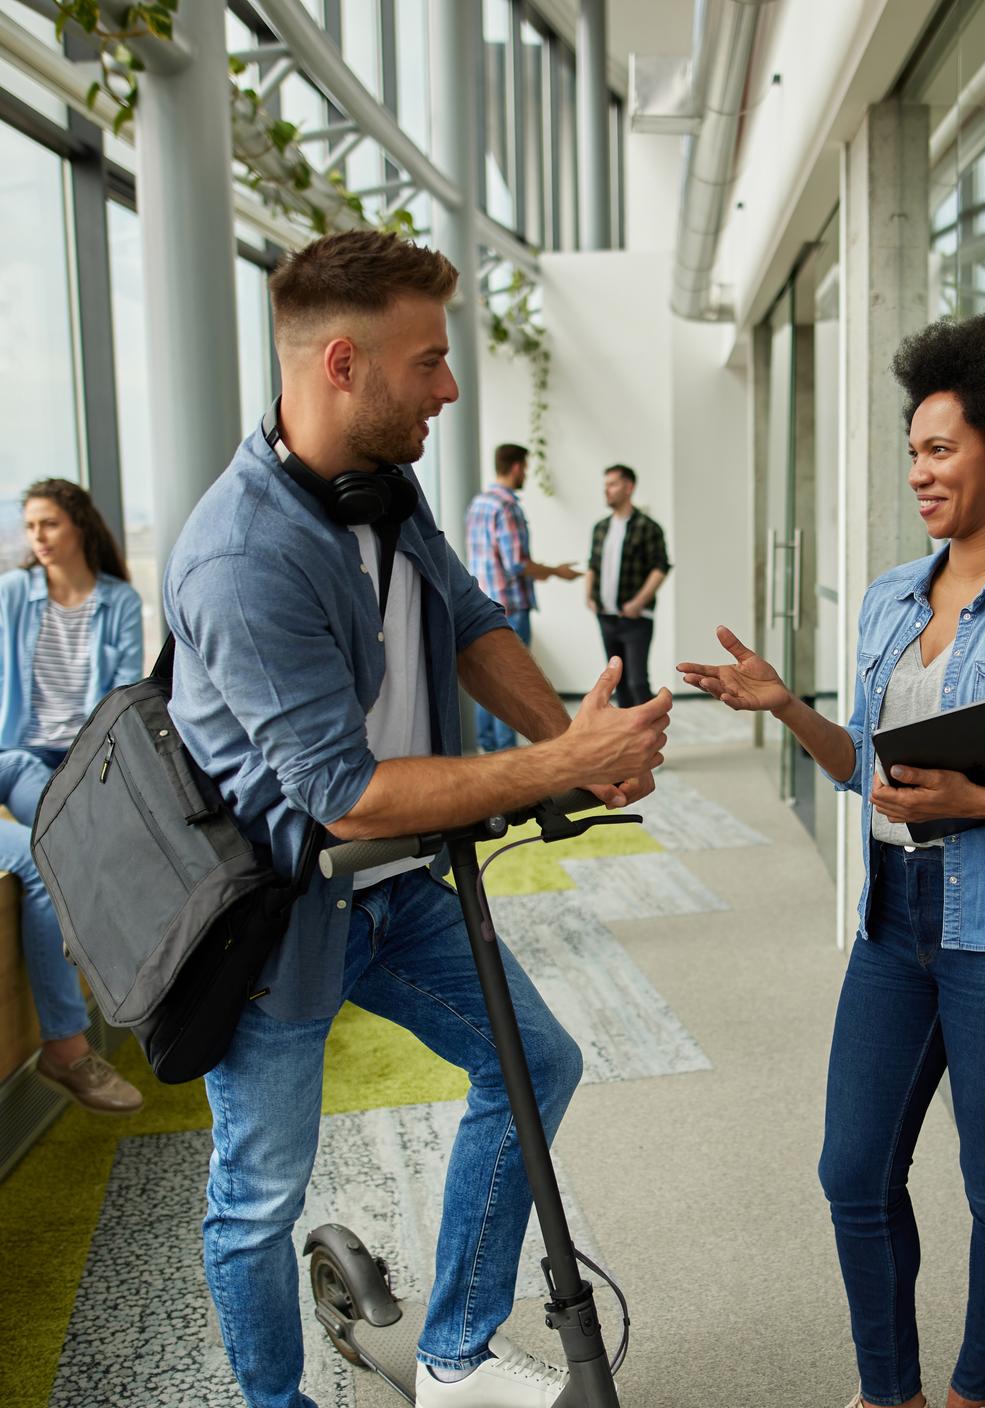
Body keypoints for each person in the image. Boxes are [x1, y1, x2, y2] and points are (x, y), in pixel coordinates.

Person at [164, 230, 669, 1408]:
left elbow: (471, 617)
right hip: (276, 924)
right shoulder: (243, 555)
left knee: (536, 1065)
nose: (448, 387)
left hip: (393, 892)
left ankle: (452, 1352)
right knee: (258, 1193)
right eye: (430, 361)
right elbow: (342, 793)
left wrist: (571, 752)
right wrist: (560, 759)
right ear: (344, 362)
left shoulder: (381, 485)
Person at [679, 313, 985, 1408]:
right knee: (852, 1171)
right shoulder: (892, 598)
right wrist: (786, 708)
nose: (919, 472)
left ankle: (970, 1397)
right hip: (897, 922)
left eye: (940, 448)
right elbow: (870, 769)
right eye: (912, 450)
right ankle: (889, 1392)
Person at [0, 479, 144, 1114]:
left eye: (49, 524)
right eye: (31, 528)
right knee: (59, 845)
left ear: (80, 526)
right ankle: (83, 931)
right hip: (13, 755)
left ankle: (83, 928)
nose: (38, 539)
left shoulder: (116, 602)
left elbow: (118, 706)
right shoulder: (13, 595)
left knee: (76, 834)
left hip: (71, 764)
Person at [466, 442, 581, 752]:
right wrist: (557, 571)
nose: (526, 475)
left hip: (480, 606)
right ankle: (507, 754)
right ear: (517, 466)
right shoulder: (507, 506)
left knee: (486, 681)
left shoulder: (479, 504)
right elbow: (518, 562)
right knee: (511, 684)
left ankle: (488, 750)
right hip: (510, 608)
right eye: (526, 468)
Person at [584, 464, 671, 707]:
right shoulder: (600, 528)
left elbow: (661, 567)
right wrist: (588, 595)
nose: (607, 490)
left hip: (637, 619)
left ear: (629, 487)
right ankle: (627, 740)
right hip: (606, 617)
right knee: (617, 682)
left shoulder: (648, 527)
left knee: (637, 683)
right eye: (605, 486)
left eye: (612, 484)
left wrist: (638, 602)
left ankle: (650, 738)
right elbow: (592, 564)